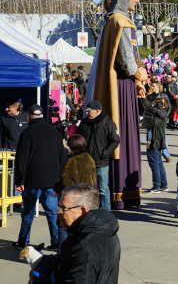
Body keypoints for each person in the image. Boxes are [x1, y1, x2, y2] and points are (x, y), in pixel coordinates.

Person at [87, 0, 148, 209]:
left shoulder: (111, 22)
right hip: (120, 89)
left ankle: (119, 194)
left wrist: (137, 80)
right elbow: (128, 62)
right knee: (124, 136)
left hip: (122, 86)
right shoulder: (121, 22)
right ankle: (123, 194)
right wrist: (139, 76)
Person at [13, 104, 66, 250]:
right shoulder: (54, 132)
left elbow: (21, 160)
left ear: (28, 117)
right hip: (52, 181)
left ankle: (23, 242)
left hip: (32, 181)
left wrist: (19, 180)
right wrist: (59, 177)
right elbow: (62, 156)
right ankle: (56, 242)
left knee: (28, 213)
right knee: (52, 213)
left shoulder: (27, 133)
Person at [52, 184, 120, 283]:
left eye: (63, 208)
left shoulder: (84, 246)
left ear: (82, 211)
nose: (58, 212)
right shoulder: (105, 229)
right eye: (59, 207)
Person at [54, 134, 97, 253]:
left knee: (63, 227)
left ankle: (61, 256)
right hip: (87, 198)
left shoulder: (72, 161)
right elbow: (94, 178)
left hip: (73, 201)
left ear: (72, 147)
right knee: (83, 228)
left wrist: (58, 191)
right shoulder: (90, 158)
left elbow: (65, 181)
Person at [76, 100, 120, 211]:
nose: (87, 113)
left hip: (101, 162)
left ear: (97, 111)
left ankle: (106, 211)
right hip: (86, 161)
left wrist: (104, 153)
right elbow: (78, 137)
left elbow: (115, 140)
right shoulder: (84, 123)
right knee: (87, 189)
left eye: (89, 111)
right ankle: (88, 210)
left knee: (103, 189)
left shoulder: (108, 123)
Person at [144, 93, 170, 193]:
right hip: (157, 142)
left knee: (155, 165)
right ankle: (163, 184)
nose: (155, 104)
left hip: (155, 142)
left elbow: (153, 123)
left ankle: (156, 186)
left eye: (157, 103)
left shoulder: (160, 114)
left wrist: (143, 124)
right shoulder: (161, 113)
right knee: (159, 164)